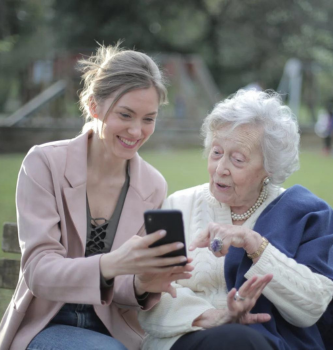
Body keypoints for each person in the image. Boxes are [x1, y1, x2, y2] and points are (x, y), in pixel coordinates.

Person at [0, 44, 194, 350]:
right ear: (93, 106)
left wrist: (143, 284)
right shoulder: (44, 163)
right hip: (45, 325)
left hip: (115, 332)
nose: (136, 130)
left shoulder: (153, 185)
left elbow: (124, 287)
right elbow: (39, 271)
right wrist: (110, 263)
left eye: (149, 118)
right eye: (125, 114)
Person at [138, 89, 333, 350]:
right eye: (216, 152)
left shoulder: (305, 214)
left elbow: (313, 306)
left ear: (269, 167)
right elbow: (150, 292)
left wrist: (255, 245)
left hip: (267, 344)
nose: (220, 168)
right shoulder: (179, 205)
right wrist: (212, 317)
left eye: (237, 159)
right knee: (236, 340)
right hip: (185, 339)